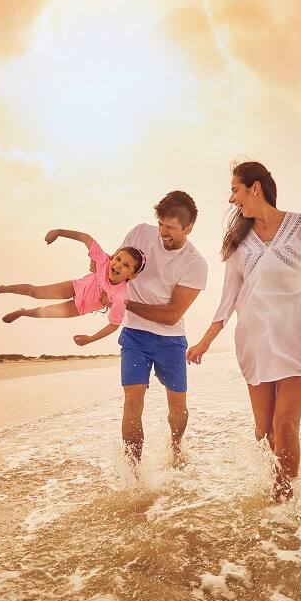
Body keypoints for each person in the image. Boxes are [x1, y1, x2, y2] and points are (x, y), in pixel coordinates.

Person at [187, 162, 301, 501]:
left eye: (236, 189)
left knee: (286, 423)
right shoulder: (238, 244)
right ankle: (281, 482)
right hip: (256, 341)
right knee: (265, 431)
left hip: (297, 335)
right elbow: (228, 299)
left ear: (256, 188)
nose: (233, 199)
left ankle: (285, 502)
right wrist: (204, 342)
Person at [111, 191, 208, 466]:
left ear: (188, 228)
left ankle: (176, 447)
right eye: (161, 225)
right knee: (133, 398)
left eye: (171, 229)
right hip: (134, 336)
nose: (163, 233)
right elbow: (115, 268)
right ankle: (134, 471)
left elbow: (171, 315)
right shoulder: (140, 233)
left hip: (171, 339)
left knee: (177, 408)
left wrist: (126, 303)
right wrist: (100, 272)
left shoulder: (195, 263)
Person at [0, 229, 145, 347]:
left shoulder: (120, 297)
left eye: (126, 265)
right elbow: (85, 238)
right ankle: (2, 288)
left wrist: (90, 339)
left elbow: (114, 325)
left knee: (45, 312)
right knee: (34, 291)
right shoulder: (104, 262)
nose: (117, 265)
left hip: (79, 307)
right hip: (75, 287)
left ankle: (22, 312)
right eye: (118, 259)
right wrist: (58, 232)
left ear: (132, 275)